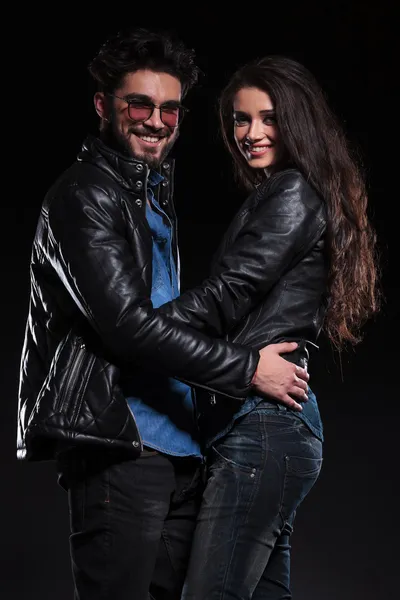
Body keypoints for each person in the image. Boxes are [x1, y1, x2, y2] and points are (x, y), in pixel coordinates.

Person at [16, 31, 309, 600]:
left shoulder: (150, 200)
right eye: (140, 104)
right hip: (119, 449)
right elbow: (127, 328)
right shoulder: (85, 195)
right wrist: (247, 369)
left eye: (169, 108)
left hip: (181, 453)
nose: (156, 120)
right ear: (104, 106)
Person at [157, 56, 380, 598]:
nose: (250, 134)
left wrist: (138, 329)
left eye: (268, 118)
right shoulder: (294, 192)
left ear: (297, 121)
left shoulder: (291, 193)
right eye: (240, 119)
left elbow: (229, 295)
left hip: (262, 430)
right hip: (267, 430)